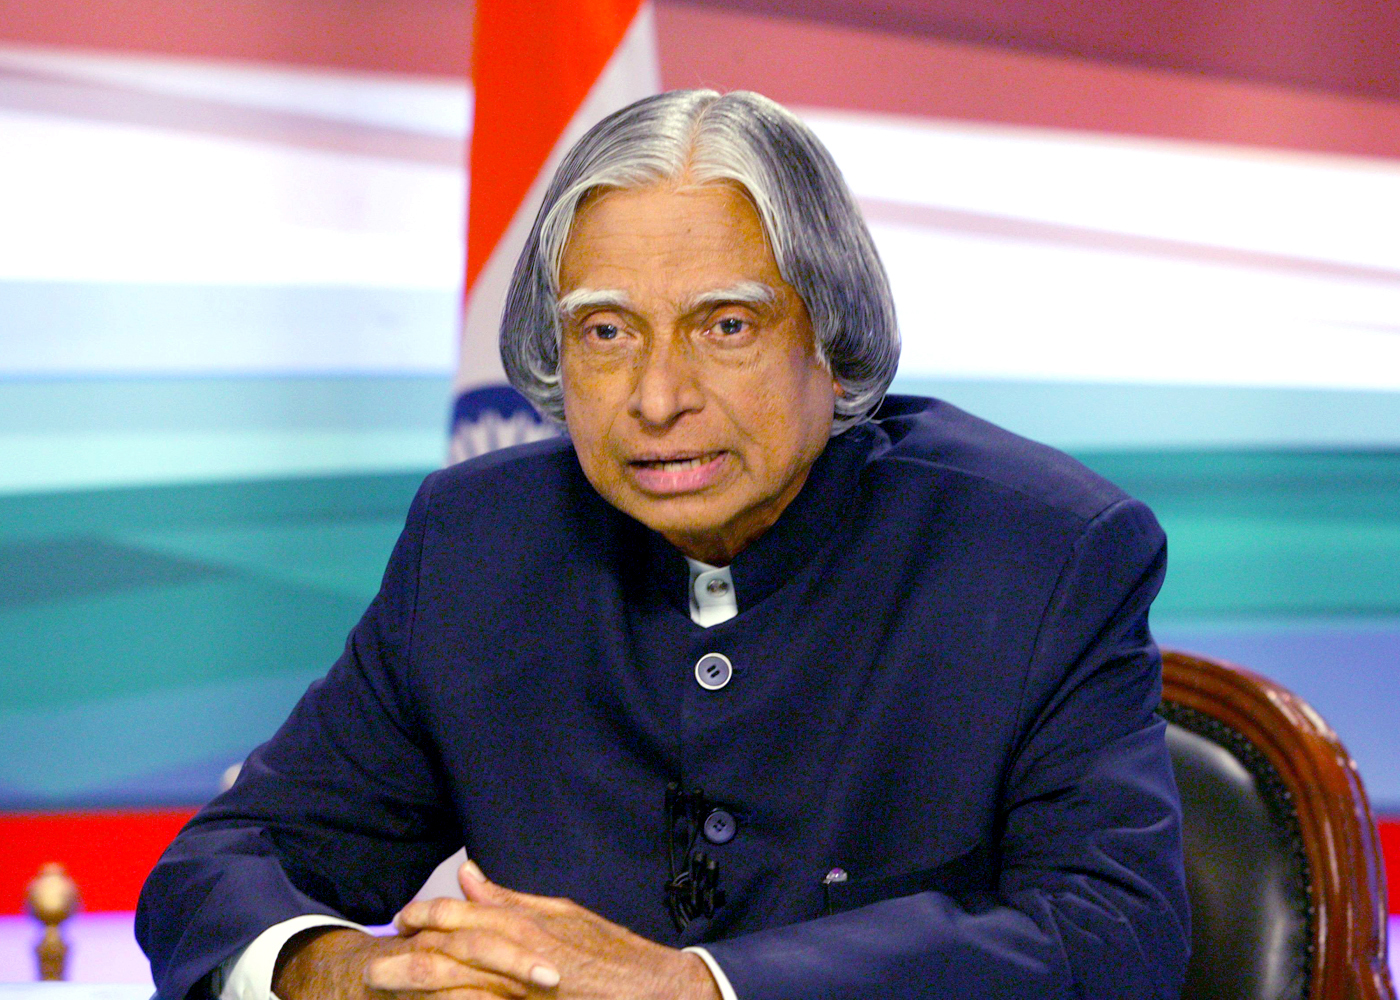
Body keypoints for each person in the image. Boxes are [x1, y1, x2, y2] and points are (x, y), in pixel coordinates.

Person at [137, 89, 1189, 1000]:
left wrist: (698, 987)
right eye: (606, 332)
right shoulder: (475, 546)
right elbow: (226, 860)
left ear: (832, 338)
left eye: (725, 325)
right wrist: (344, 974)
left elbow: (1113, 936)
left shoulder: (1040, 552)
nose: (656, 398)